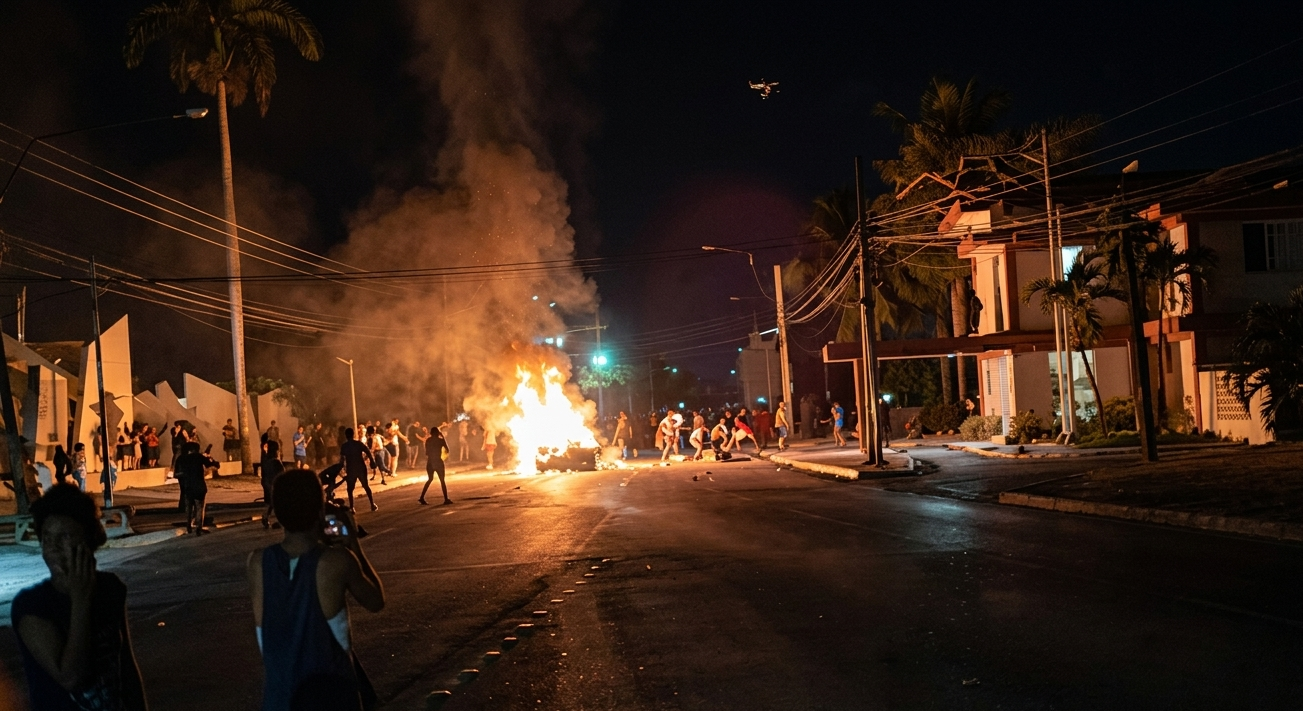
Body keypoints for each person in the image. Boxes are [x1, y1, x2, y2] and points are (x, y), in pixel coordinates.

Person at [247, 469, 385, 711]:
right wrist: (353, 544)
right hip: (333, 695)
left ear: (278, 512)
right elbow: (375, 600)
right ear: (320, 510)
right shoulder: (337, 561)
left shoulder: (258, 562)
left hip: (280, 697)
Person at [12, 484, 148, 710]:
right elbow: (71, 678)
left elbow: (126, 666)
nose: (53, 547)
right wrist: (80, 599)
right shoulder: (32, 606)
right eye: (47, 537)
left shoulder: (109, 588)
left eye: (64, 536)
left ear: (87, 539)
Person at [174, 442, 209, 535]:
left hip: (187, 487)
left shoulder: (181, 459)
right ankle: (198, 527)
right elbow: (210, 464)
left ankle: (189, 527)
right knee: (199, 507)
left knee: (188, 508)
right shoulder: (198, 457)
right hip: (199, 486)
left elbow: (176, 474)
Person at [339, 429, 376, 513]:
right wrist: (372, 461)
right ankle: (372, 504)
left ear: (346, 435)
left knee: (350, 489)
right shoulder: (358, 444)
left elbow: (342, 459)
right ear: (353, 434)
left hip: (351, 469)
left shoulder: (344, 446)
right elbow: (368, 451)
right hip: (360, 467)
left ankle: (352, 507)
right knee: (366, 486)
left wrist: (340, 468)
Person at [420, 425, 451, 505]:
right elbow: (447, 450)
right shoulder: (440, 441)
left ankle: (422, 497)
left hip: (430, 462)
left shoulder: (428, 441)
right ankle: (446, 499)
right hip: (438, 461)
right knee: (442, 480)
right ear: (438, 433)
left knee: (430, 479)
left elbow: (426, 453)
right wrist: (443, 437)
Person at [261, 440, 286, 529]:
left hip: (267, 484)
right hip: (275, 484)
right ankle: (280, 521)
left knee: (271, 503)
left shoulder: (266, 460)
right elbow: (282, 474)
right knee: (279, 503)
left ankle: (265, 517)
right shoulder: (276, 462)